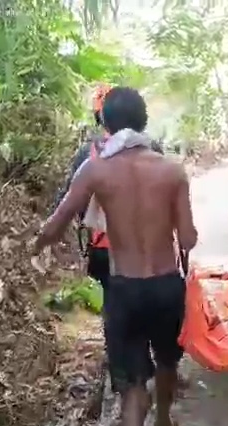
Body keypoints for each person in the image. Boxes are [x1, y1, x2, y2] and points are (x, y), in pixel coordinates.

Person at [35, 86, 197, 426]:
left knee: (130, 394)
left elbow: (56, 226)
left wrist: (34, 245)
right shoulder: (172, 169)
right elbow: (189, 239)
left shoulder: (95, 169)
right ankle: (163, 424)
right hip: (165, 286)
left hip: (124, 289)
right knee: (168, 361)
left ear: (104, 123)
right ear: (144, 122)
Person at [51, 84, 164, 291]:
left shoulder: (88, 153)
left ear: (101, 117)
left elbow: (68, 202)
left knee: (112, 309)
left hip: (104, 248)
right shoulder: (153, 148)